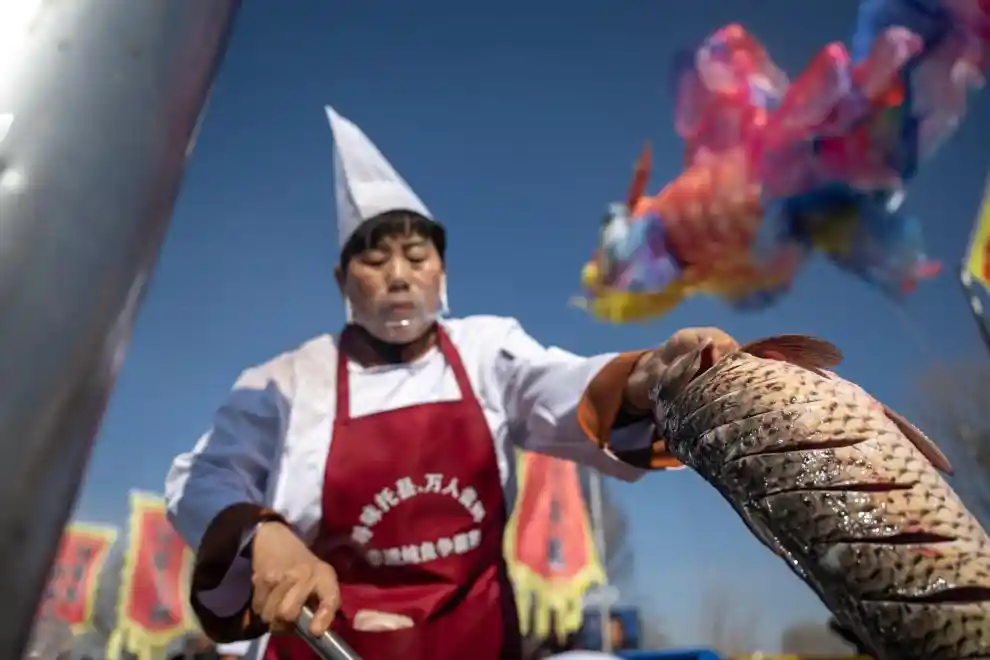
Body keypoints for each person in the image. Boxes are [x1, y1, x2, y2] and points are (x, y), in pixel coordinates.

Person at [164, 106, 738, 660]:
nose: (397, 276)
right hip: (324, 643)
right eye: (374, 260)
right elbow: (205, 474)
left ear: (442, 272)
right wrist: (264, 537)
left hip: (474, 640)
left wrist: (648, 377)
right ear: (342, 280)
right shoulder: (288, 378)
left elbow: (558, 385)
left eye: (417, 256)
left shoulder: (486, 349)